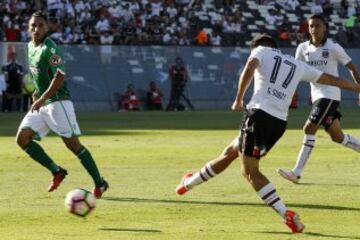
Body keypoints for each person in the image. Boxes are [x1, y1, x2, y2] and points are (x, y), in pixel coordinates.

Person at [175, 34, 360, 233]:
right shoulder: (296, 64)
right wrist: (357, 87)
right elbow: (330, 79)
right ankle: (187, 184)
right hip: (278, 123)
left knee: (249, 171)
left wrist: (238, 98)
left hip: (258, 116)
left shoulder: (260, 50)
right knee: (231, 151)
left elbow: (249, 67)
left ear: (258, 46)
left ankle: (286, 214)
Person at [16, 11, 108, 198]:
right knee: (22, 138)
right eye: (33, 25)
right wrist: (37, 92)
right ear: (28, 27)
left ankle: (100, 183)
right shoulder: (30, 46)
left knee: (73, 145)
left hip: (58, 103)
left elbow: (60, 76)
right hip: (42, 102)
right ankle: (57, 171)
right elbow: (40, 75)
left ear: (47, 27)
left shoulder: (50, 48)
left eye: (41, 25)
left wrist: (42, 98)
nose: (36, 28)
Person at [277, 14, 360, 184]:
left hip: (330, 95)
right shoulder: (302, 48)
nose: (313, 29)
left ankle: (296, 172)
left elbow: (352, 68)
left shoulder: (333, 47)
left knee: (309, 128)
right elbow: (295, 72)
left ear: (325, 28)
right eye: (311, 26)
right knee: (338, 136)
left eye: (317, 25)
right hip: (317, 97)